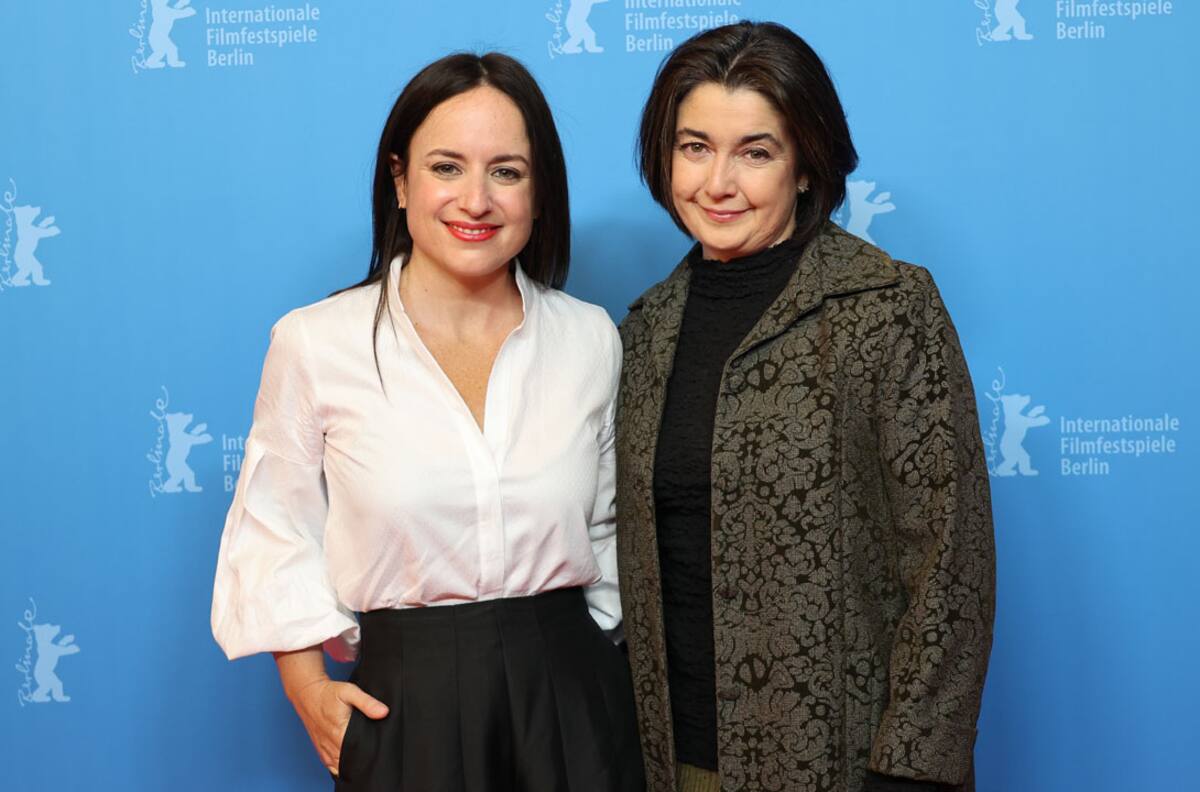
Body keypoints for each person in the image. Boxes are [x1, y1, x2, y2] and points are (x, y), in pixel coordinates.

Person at [212, 52, 645, 792]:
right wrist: (309, 689)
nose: (476, 200)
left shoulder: (590, 338)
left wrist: (593, 665)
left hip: (574, 695)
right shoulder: (316, 343)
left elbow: (609, 527)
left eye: (506, 172)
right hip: (405, 705)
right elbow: (275, 526)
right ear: (400, 179)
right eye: (447, 167)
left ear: (540, 193)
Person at [615, 21, 995, 792]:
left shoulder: (886, 308)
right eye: (694, 147)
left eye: (755, 152)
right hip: (672, 761)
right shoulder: (648, 328)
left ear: (804, 165)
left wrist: (911, 769)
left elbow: (952, 564)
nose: (717, 183)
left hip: (846, 765)